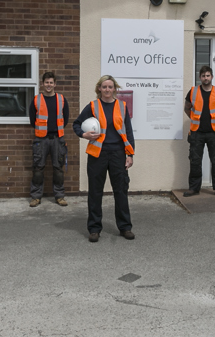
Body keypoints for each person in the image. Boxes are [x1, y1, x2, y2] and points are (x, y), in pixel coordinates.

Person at [73, 75, 135, 243]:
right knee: (95, 192)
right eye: (104, 87)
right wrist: (83, 134)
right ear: (99, 88)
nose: (107, 90)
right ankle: (94, 229)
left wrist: (130, 154)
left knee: (121, 191)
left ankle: (125, 227)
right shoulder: (92, 106)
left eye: (110, 87)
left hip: (118, 154)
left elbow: (128, 132)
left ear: (114, 89)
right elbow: (76, 124)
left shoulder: (122, 106)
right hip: (97, 154)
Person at [183, 65, 215, 198]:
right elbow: (187, 108)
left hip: (214, 133)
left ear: (212, 77)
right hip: (197, 132)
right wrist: (194, 119)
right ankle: (194, 188)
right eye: (203, 76)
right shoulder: (193, 91)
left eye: (208, 75)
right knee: (195, 161)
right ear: (200, 78)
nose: (205, 78)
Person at [28, 71, 70, 207]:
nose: (49, 85)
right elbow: (32, 120)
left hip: (57, 139)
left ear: (55, 84)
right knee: (38, 169)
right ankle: (36, 197)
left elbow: (66, 119)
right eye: (46, 82)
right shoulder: (36, 99)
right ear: (42, 84)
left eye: (51, 82)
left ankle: (59, 196)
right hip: (41, 140)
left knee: (58, 169)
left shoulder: (61, 99)